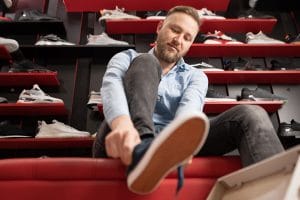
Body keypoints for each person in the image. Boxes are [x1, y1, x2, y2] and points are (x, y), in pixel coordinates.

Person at [93, 5, 284, 194]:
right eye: (175, 30)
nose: (178, 40)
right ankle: (145, 148)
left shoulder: (196, 76)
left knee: (251, 113)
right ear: (160, 27)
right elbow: (112, 88)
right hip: (125, 132)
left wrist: (181, 144)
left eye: (187, 38)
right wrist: (123, 127)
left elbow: (189, 112)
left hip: (170, 142)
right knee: (146, 61)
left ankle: (280, 190)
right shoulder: (127, 57)